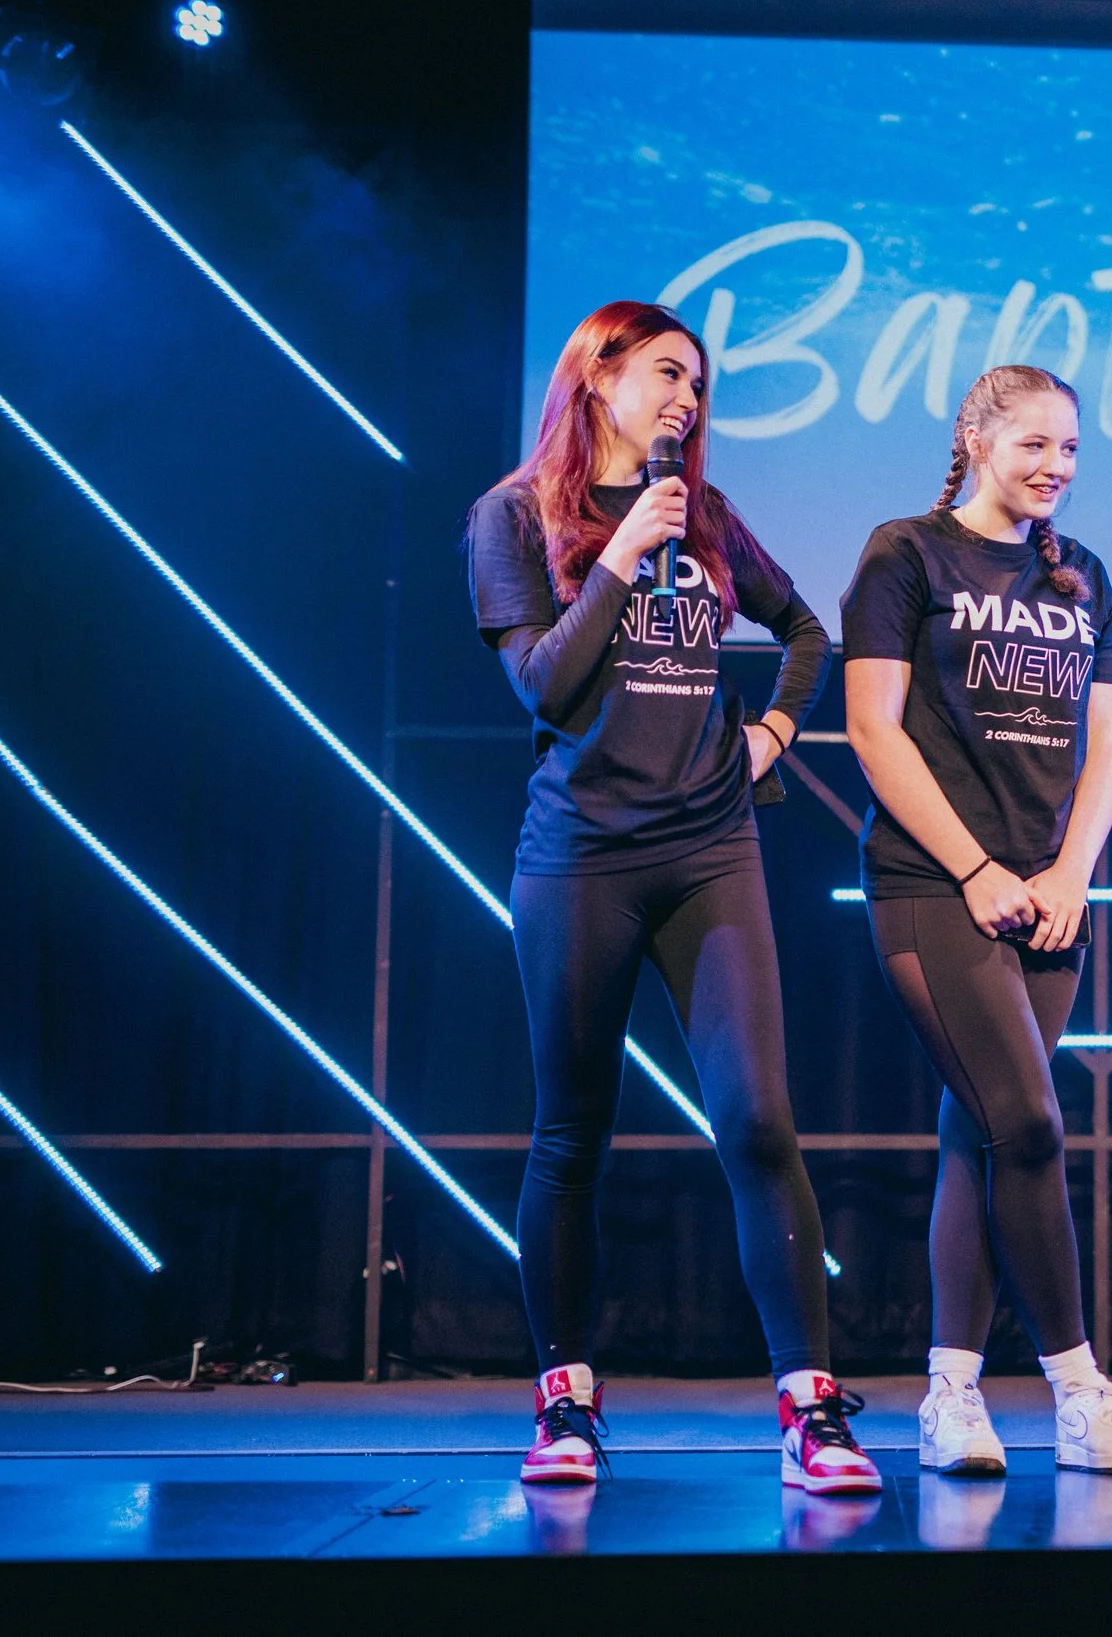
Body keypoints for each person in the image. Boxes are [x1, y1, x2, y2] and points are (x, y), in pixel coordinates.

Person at [465, 299, 879, 1495]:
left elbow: (805, 626)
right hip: (579, 854)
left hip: (711, 845)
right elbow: (545, 685)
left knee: (757, 1117)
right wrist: (618, 553)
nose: (688, 397)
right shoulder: (512, 516)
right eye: (665, 372)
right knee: (572, 1131)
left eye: (697, 380)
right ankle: (566, 1401)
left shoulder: (703, 516)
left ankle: (810, 1409)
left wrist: (772, 735)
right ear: (597, 378)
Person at [842, 364, 1112, 1477]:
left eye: (1072, 449)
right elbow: (873, 731)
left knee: (978, 1132)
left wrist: (1073, 870)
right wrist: (978, 865)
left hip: (1049, 897)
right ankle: (1080, 1391)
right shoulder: (904, 552)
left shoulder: (1082, 574)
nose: (1056, 468)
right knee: (1028, 1123)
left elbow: (1108, 744)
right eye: (1035, 443)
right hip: (936, 885)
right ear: (976, 438)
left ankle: (950, 1397)